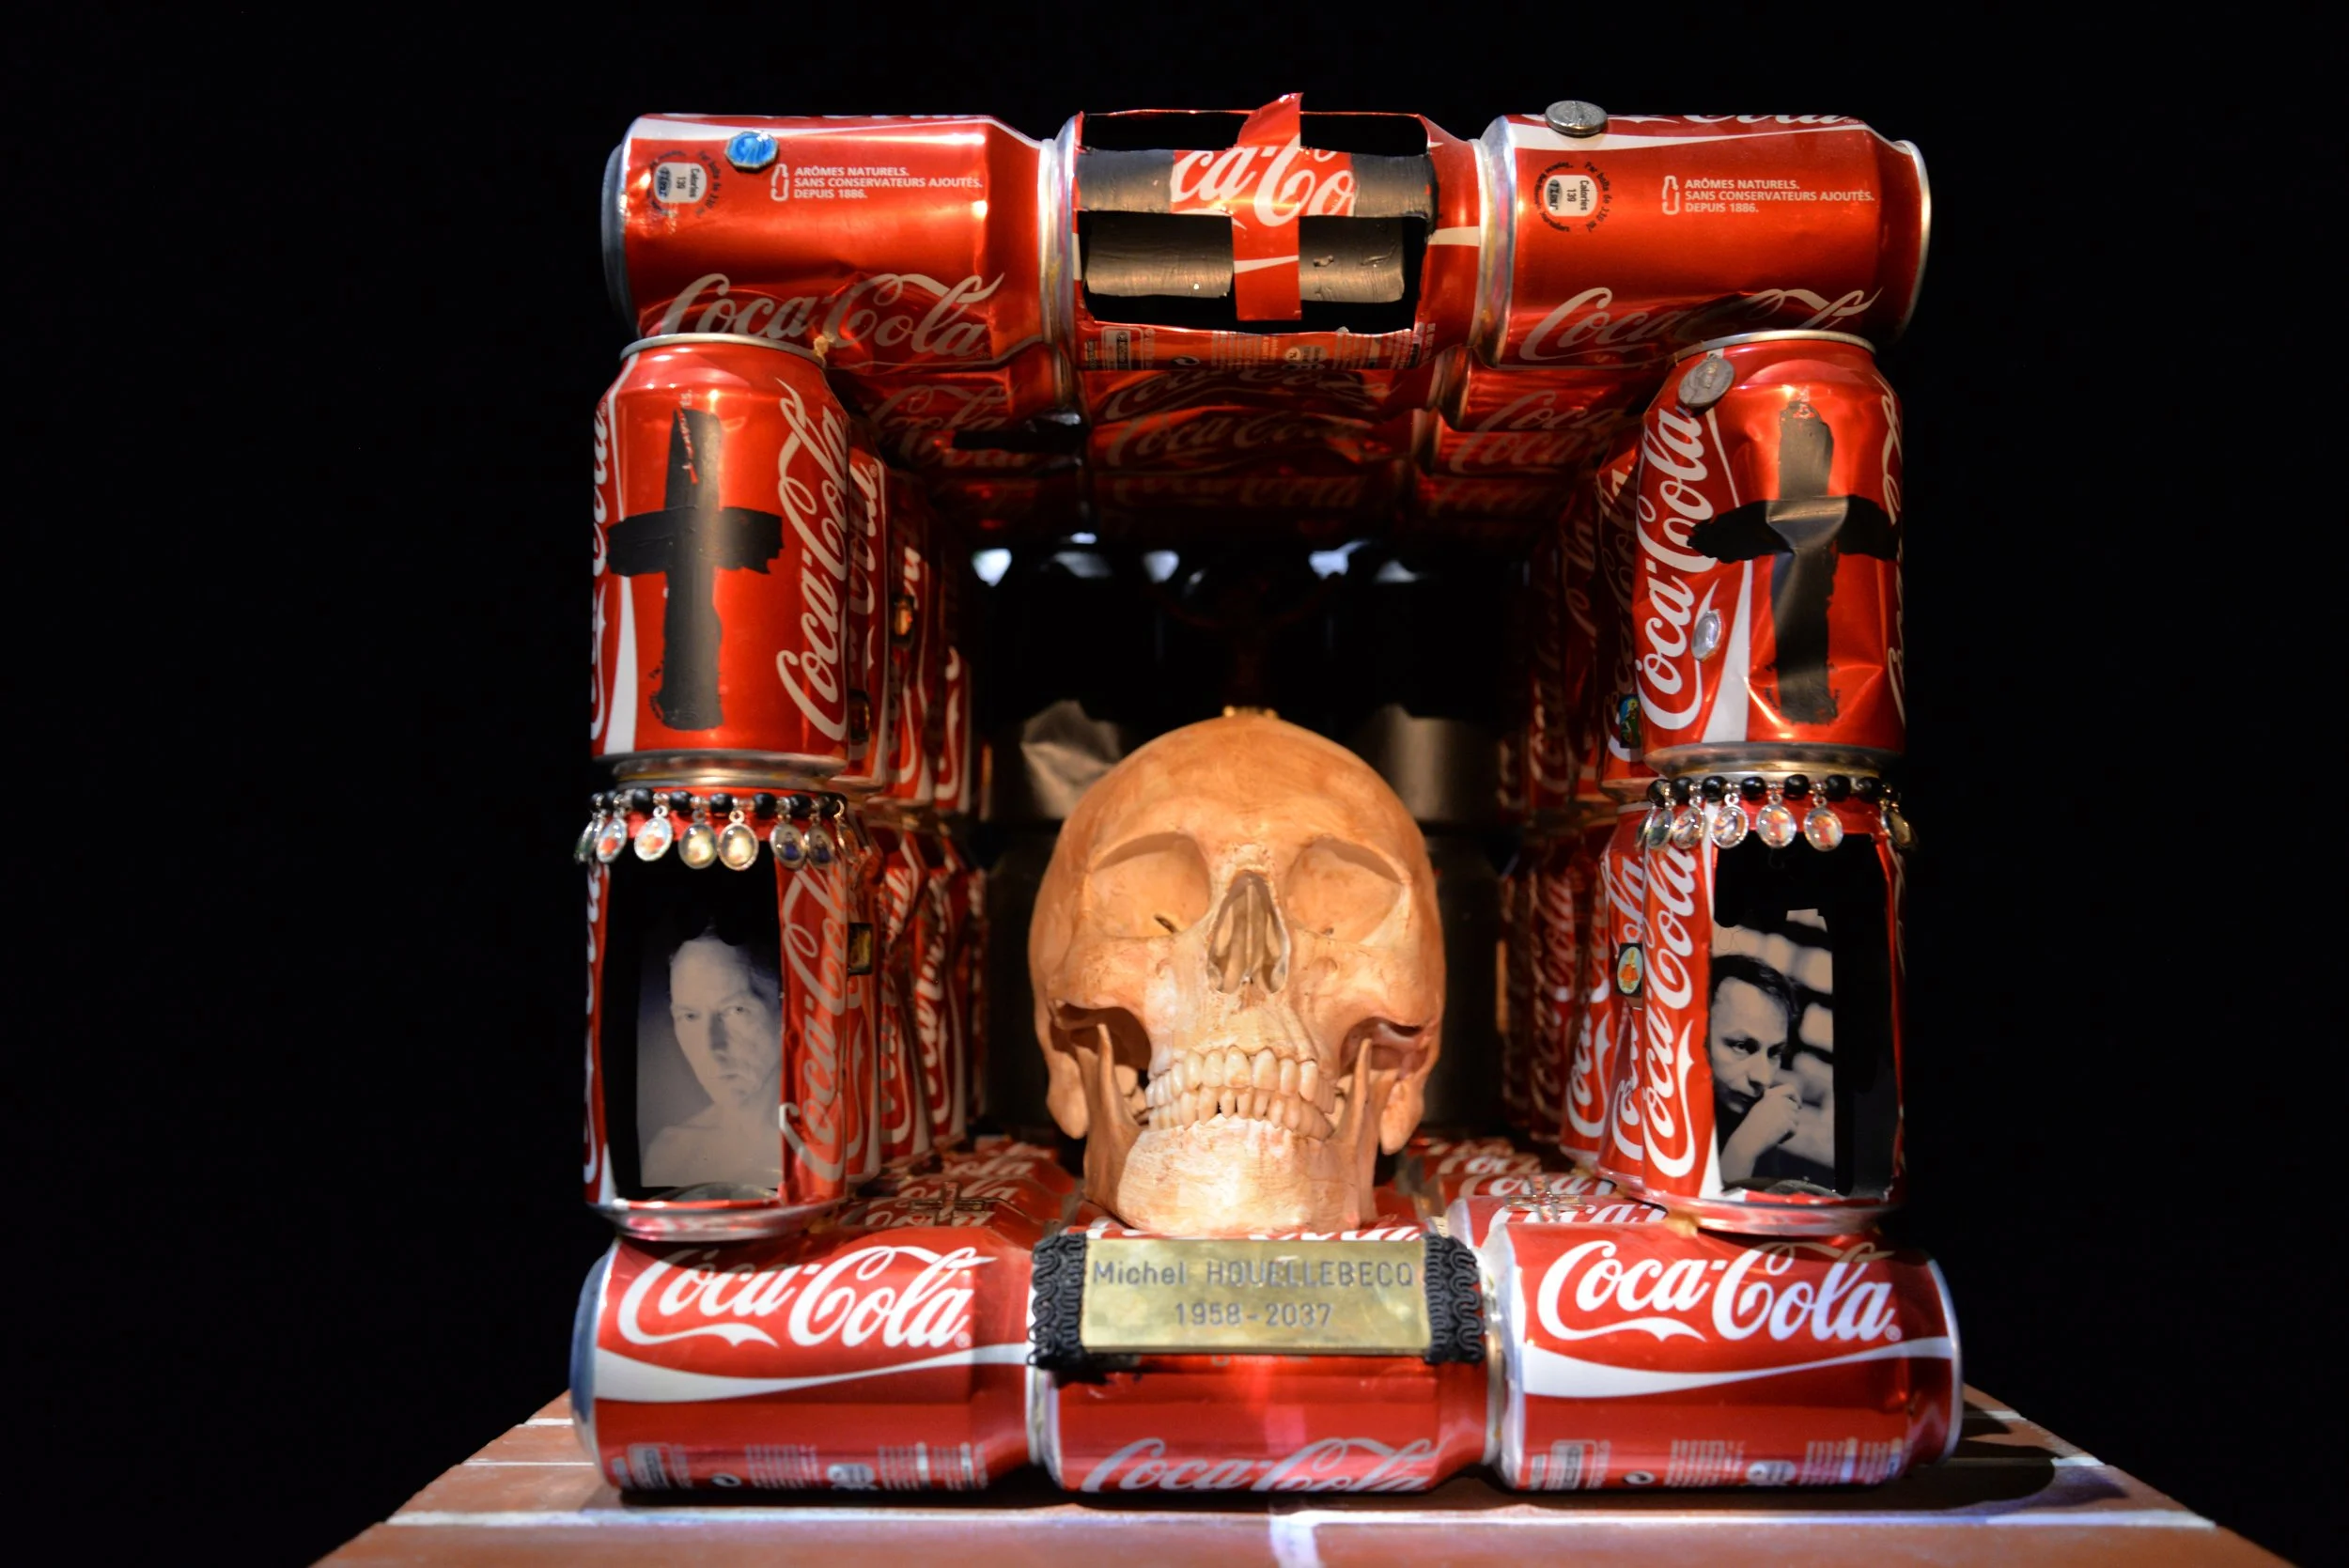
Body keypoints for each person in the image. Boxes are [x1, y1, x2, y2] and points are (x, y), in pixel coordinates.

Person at [642, 928, 785, 1190]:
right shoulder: (671, 1154)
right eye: (690, 1016)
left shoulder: (828, 1146)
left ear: (786, 1011)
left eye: (736, 1010)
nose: (710, 1046)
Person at [1707, 911, 1836, 1189]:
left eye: (1774, 1053)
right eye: (1742, 1046)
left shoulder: (1748, 1121)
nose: (1763, 1078)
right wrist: (1743, 1149)